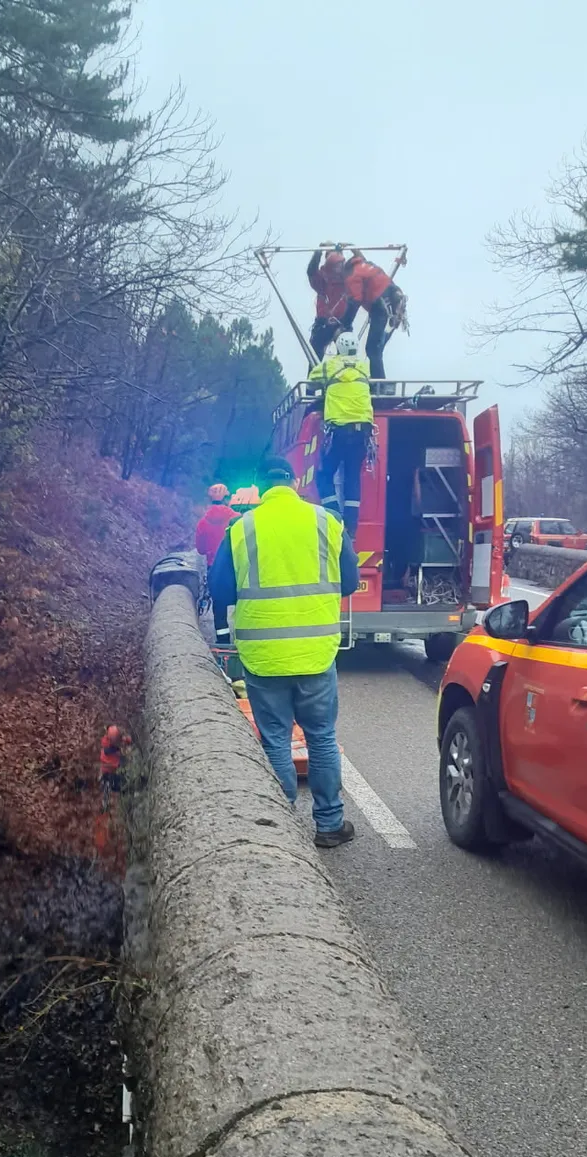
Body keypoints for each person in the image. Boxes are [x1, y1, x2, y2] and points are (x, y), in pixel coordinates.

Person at [208, 456, 358, 847]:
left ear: (259, 485)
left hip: (263, 656)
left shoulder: (241, 528)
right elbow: (350, 581)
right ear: (294, 482)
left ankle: (283, 830)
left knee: (275, 740)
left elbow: (220, 589)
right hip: (314, 652)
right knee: (321, 737)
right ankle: (329, 825)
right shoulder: (326, 521)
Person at [309, 332, 373, 539]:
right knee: (352, 475)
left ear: (338, 348)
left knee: (324, 474)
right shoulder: (364, 366)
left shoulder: (329, 365)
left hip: (339, 431)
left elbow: (311, 381)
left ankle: (334, 518)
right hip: (362, 432)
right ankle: (351, 527)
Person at [342, 250, 407, 380]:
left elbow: (355, 300)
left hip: (381, 308)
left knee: (372, 349)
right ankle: (379, 380)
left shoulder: (352, 275)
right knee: (377, 349)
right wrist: (352, 247)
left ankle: (379, 384)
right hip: (394, 305)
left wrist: (345, 325)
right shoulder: (367, 265)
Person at [195, 483, 240, 642]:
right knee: (243, 605)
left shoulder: (203, 523)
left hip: (215, 571)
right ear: (227, 499)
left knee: (219, 609)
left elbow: (200, 549)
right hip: (237, 569)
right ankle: (243, 641)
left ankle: (223, 645)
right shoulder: (237, 519)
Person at [307, 247, 355, 358]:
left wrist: (352, 248)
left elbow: (362, 267)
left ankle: (344, 373)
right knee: (315, 353)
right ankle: (316, 374)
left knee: (346, 355)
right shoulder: (322, 278)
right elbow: (311, 271)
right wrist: (318, 251)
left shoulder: (347, 278)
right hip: (324, 321)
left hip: (343, 322)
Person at [99, 724, 132, 807]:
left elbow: (123, 740)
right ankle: (105, 801)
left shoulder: (112, 736)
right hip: (109, 769)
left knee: (112, 780)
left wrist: (127, 741)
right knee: (109, 783)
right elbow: (115, 762)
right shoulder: (108, 748)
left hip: (111, 766)